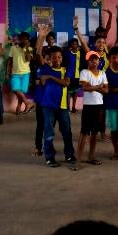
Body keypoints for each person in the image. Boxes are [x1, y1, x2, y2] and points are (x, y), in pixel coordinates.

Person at [35, 25, 76, 169]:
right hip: (48, 106)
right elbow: (38, 53)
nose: (57, 59)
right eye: (54, 57)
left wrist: (50, 77)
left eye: (59, 57)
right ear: (50, 59)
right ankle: (49, 157)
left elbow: (65, 83)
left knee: (67, 131)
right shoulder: (45, 68)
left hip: (63, 106)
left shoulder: (66, 70)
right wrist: (41, 36)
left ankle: (70, 154)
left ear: (62, 58)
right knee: (48, 132)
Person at [76, 51, 108, 167]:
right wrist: (99, 86)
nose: (94, 61)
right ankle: (78, 159)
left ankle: (91, 156)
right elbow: (84, 88)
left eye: (96, 59)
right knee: (84, 132)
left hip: (99, 105)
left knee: (94, 132)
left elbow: (106, 90)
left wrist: (94, 87)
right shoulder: (85, 72)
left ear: (99, 61)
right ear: (88, 61)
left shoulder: (103, 73)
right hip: (88, 106)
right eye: (91, 59)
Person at [6, 31, 35, 115]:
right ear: (19, 39)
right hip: (15, 73)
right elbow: (9, 61)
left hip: (26, 73)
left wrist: (26, 49)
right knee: (15, 89)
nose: (25, 41)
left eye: (26, 39)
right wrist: (7, 73)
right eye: (23, 39)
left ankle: (19, 107)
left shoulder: (29, 49)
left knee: (21, 92)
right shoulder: (13, 48)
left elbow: (28, 59)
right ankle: (27, 103)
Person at [64, 38, 83, 113]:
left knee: (75, 92)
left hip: (78, 76)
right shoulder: (67, 53)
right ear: (70, 45)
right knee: (68, 92)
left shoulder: (81, 53)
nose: (74, 45)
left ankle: (73, 107)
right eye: (72, 44)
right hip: (69, 75)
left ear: (78, 44)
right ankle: (67, 107)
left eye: (75, 44)